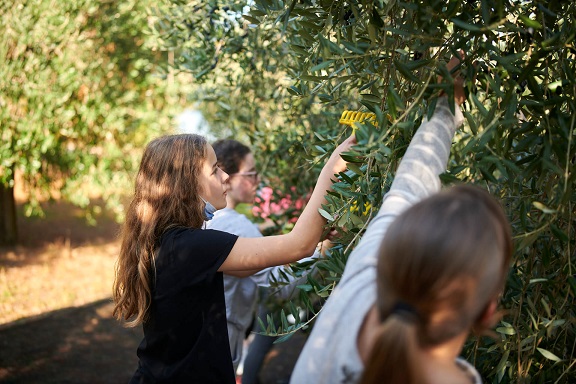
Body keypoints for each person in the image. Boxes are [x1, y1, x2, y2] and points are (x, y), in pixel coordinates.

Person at [290, 55, 512, 384]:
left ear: (391, 256)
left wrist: (445, 102)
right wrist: (448, 105)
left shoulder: (361, 285)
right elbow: (410, 187)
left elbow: (409, 188)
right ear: (487, 312)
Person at [112, 131, 355, 384]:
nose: (225, 176)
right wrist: (335, 163)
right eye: (215, 170)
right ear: (188, 182)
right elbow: (298, 245)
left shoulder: (175, 242)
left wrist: (320, 238)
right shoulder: (192, 246)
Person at [206, 139, 327, 381]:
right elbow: (281, 287)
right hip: (223, 336)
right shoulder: (237, 224)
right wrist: (325, 250)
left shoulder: (206, 219)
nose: (257, 181)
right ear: (228, 176)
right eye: (251, 174)